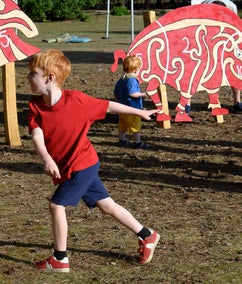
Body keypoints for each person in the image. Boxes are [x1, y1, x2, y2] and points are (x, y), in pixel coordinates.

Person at [26, 49, 160, 273]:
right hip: (69, 166)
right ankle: (147, 235)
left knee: (56, 205)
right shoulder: (35, 106)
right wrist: (47, 158)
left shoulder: (77, 100)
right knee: (107, 205)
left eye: (32, 73)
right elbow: (36, 134)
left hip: (83, 163)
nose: (28, 78)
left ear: (49, 77)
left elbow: (107, 105)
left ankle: (60, 259)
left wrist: (140, 113)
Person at [186, 0, 242, 114]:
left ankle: (237, 102)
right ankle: (186, 104)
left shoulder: (231, 7)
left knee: (235, 66)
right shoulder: (200, 8)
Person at [113, 55, 149, 149]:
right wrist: (143, 94)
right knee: (135, 125)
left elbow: (115, 93)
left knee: (122, 125)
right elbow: (132, 93)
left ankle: (122, 140)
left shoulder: (122, 79)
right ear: (136, 70)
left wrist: (118, 102)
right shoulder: (132, 80)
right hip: (132, 108)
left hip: (122, 108)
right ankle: (137, 142)